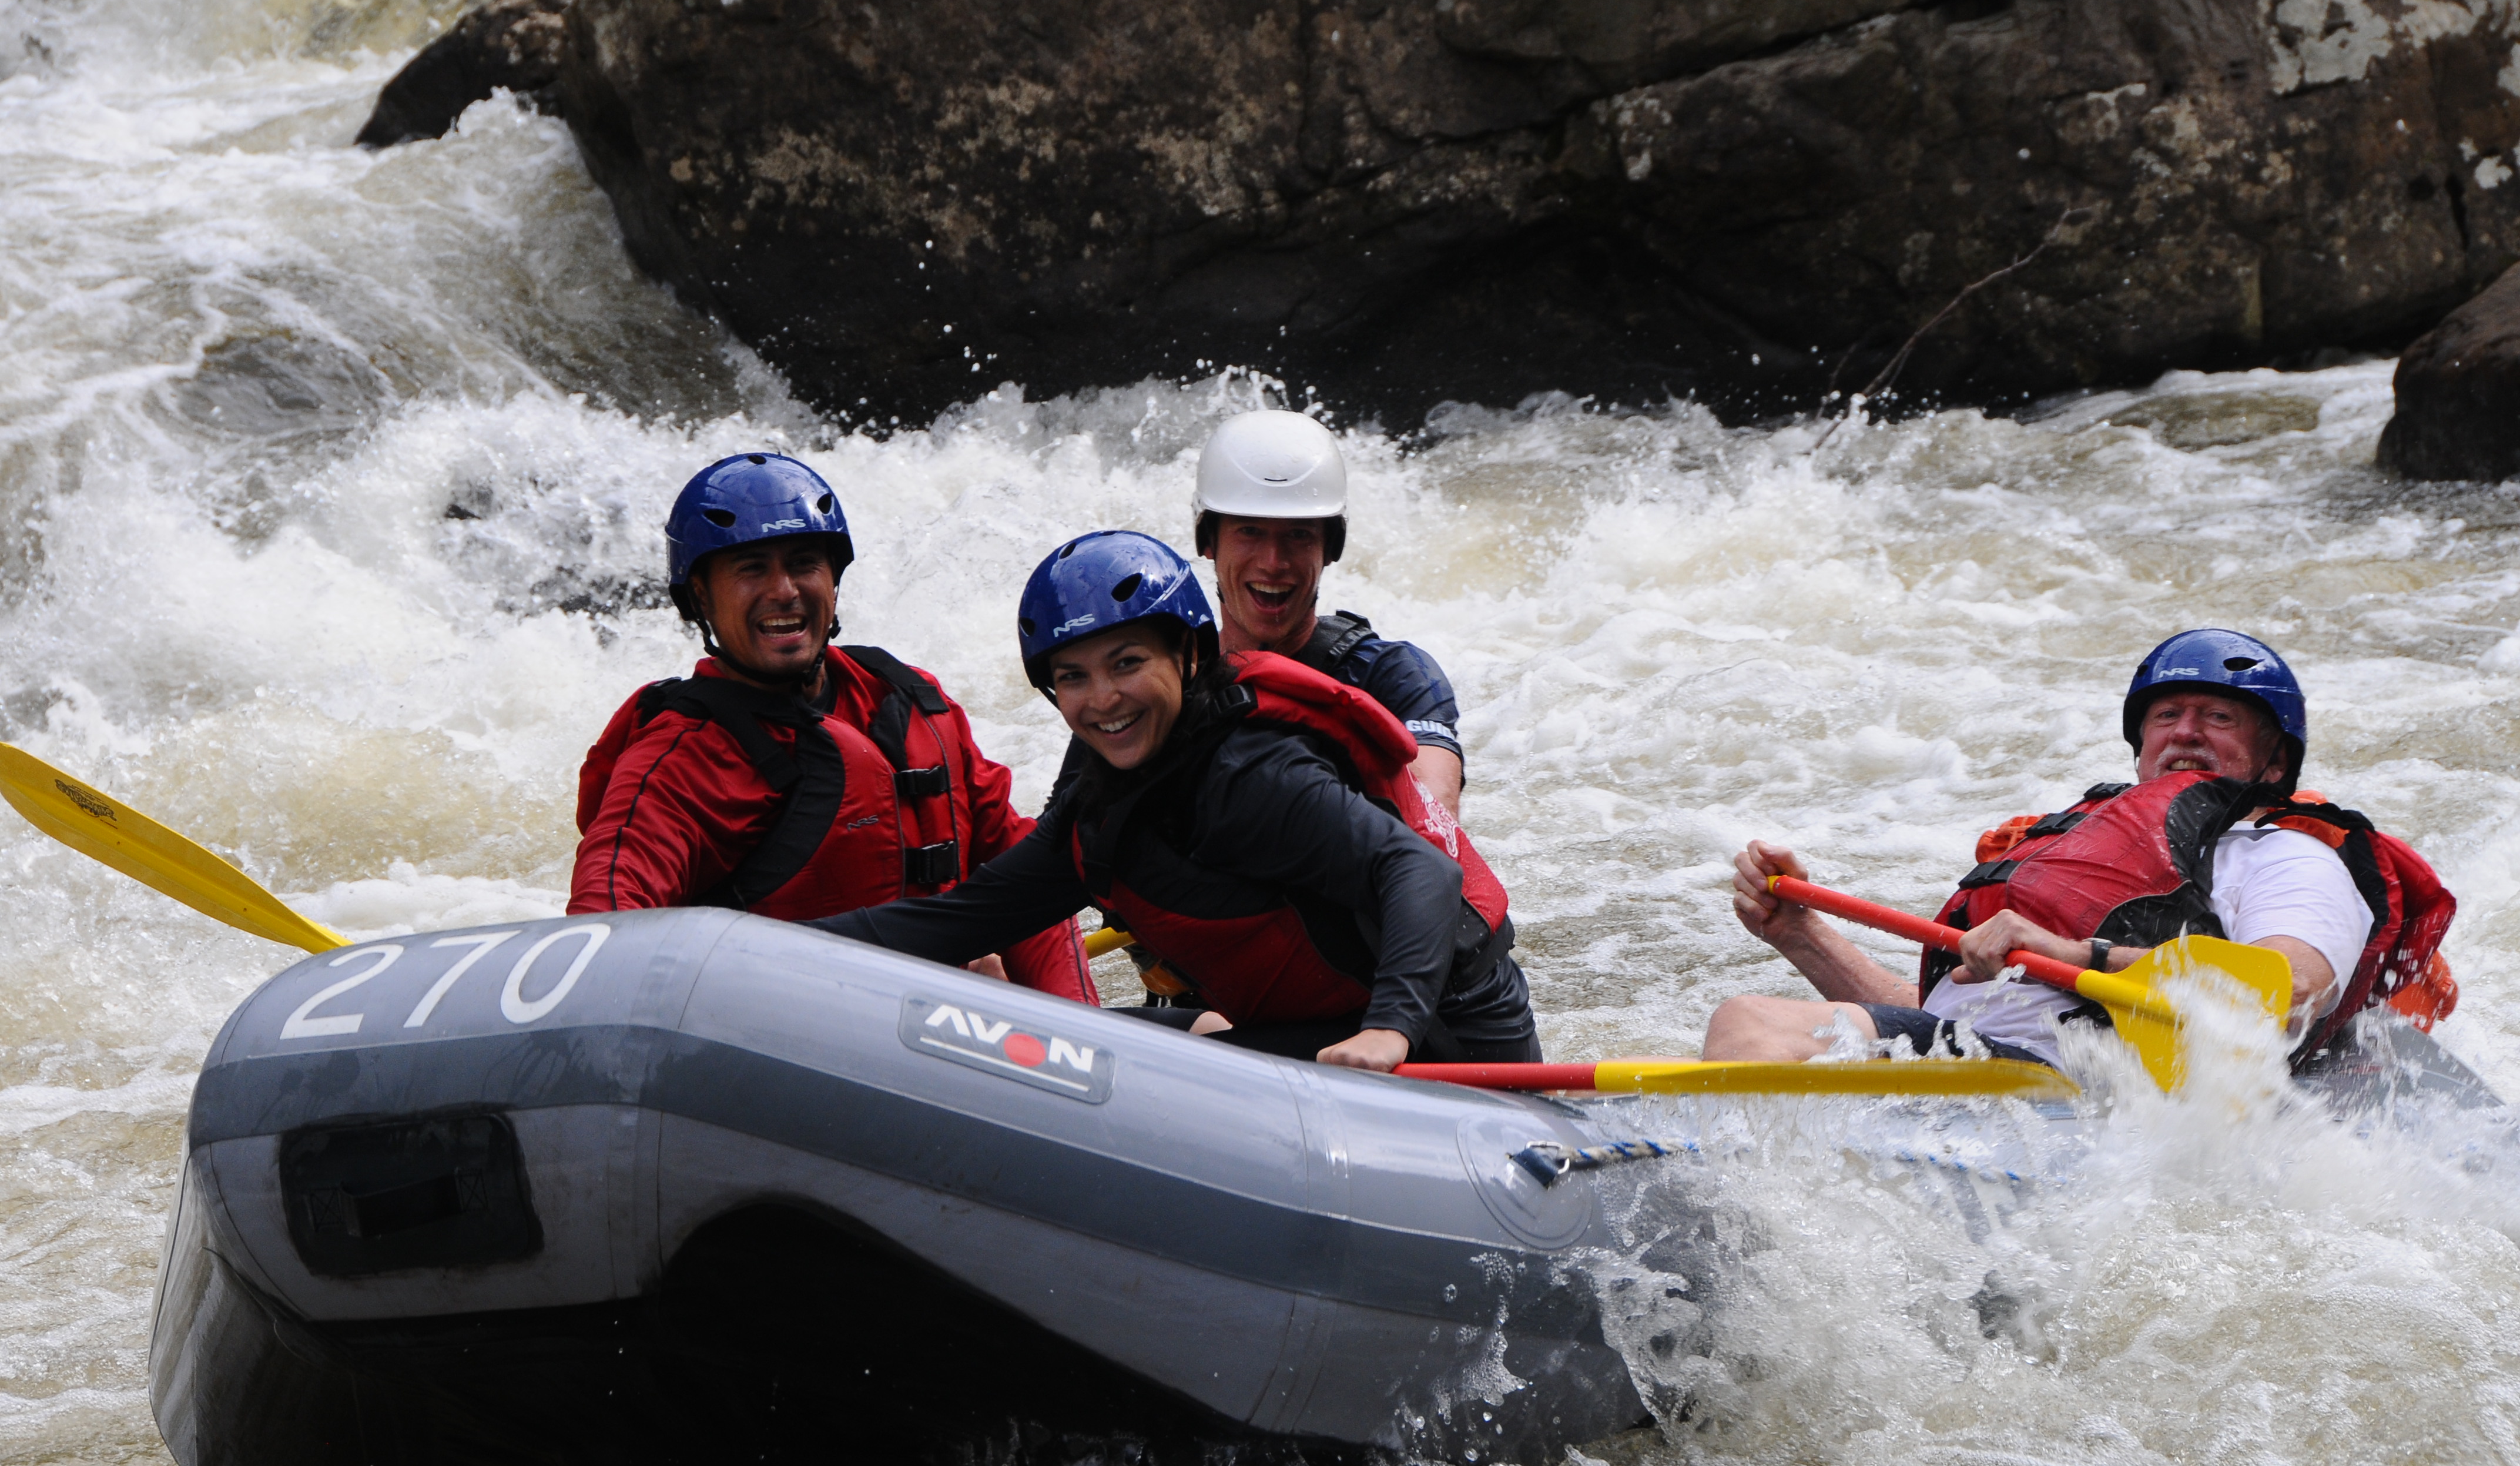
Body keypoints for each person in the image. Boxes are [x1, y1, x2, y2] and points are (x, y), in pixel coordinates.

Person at [812, 530, 1540, 1070]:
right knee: (1077, 1047)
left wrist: (1390, 1029)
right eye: (1073, 677)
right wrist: (772, 945)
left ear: (1188, 657)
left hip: (1447, 1030)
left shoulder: (1250, 775)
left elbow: (1418, 871)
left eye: (1127, 664)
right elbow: (959, 919)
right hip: (1324, 1029)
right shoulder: (1095, 810)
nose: (1102, 701)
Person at [1705, 630, 2455, 1069]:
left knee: (1754, 1027)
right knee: (1759, 1026)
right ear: (2139, 748)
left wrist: (2076, 952)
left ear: (2272, 765)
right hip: (1989, 1064)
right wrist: (1801, 935)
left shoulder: (2289, 858)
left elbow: (2287, 991)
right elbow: (1941, 1015)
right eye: (2166, 715)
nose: (2185, 731)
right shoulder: (2071, 848)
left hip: (2094, 1095)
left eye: (2218, 716)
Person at [569, 452, 1097, 1002]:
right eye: (751, 568)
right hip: (796, 1052)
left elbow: (1028, 885)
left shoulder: (912, 700)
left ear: (834, 580)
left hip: (950, 1030)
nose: (783, 590)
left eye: (803, 564)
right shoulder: (679, 760)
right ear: (701, 595)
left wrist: (1078, 1032)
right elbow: (605, 936)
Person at [1194, 410, 1468, 818]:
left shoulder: (1394, 675)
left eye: (1299, 535)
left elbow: (1435, 815)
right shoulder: (1171, 677)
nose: (1273, 562)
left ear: (1330, 548)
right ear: (1209, 542)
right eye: (1249, 531)